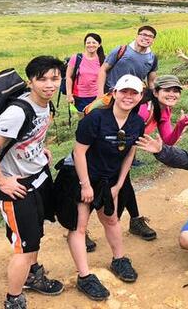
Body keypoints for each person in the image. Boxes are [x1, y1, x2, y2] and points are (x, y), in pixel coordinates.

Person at [0, 56, 66, 309]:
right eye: (42, 79)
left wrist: (40, 149)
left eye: (55, 78)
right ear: (30, 82)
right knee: (24, 248)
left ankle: (32, 275)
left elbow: (32, 134)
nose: (49, 85)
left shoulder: (46, 105)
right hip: (17, 188)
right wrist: (2, 182)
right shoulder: (17, 112)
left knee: (34, 235)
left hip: (38, 178)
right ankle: (13, 299)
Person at [66, 74, 147, 301]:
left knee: (111, 219)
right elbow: (79, 152)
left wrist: (118, 185)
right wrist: (85, 185)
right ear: (114, 93)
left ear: (140, 97)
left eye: (133, 93)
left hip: (109, 180)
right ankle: (84, 276)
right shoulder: (95, 119)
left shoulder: (137, 122)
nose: (128, 97)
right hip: (83, 177)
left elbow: (130, 153)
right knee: (79, 226)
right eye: (124, 92)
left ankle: (119, 259)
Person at [121, 74, 188, 242]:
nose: (172, 94)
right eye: (167, 90)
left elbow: (168, 141)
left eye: (176, 90)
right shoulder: (144, 109)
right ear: (156, 92)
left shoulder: (164, 109)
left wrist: (181, 125)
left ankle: (135, 220)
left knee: (123, 183)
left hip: (126, 148)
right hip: (112, 146)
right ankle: (78, 228)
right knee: (109, 185)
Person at [96, 26, 158, 97]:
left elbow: (151, 82)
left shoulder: (153, 58)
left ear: (153, 40)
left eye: (150, 36)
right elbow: (103, 69)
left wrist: (155, 97)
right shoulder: (121, 50)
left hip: (133, 96)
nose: (146, 38)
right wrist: (100, 93)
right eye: (143, 34)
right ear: (137, 36)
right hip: (111, 93)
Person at [66, 33, 105, 116]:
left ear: (99, 45)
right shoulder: (76, 58)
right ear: (85, 44)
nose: (91, 45)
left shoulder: (103, 60)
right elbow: (68, 77)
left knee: (96, 119)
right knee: (83, 119)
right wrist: (69, 94)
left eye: (94, 43)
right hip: (79, 97)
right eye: (88, 43)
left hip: (96, 97)